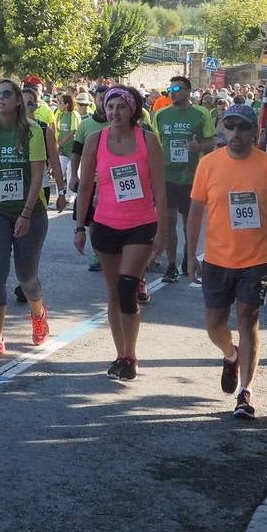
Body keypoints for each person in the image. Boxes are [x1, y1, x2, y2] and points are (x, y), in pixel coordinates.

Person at [186, 103, 267, 419]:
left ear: (254, 133)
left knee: (248, 319)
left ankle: (246, 392)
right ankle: (230, 355)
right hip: (217, 258)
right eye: (229, 126)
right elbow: (195, 212)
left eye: (242, 127)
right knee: (214, 325)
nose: (235, 133)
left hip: (255, 259)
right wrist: (190, 256)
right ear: (222, 130)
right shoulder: (208, 165)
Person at [73, 86, 166, 380]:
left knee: (127, 289)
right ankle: (121, 354)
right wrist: (79, 227)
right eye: (110, 107)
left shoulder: (147, 141)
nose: (114, 112)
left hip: (140, 224)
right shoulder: (94, 140)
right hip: (105, 224)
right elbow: (86, 186)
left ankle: (132, 354)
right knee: (114, 293)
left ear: (132, 111)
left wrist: (162, 230)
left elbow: (160, 190)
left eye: (121, 107)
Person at [0, 78, 52, 357]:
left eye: (7, 94)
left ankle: (39, 314)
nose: (0, 99)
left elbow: (38, 175)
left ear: (17, 100)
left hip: (30, 212)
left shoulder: (31, 131)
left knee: (26, 277)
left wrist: (26, 214)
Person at [154, 76, 215, 283]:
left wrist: (199, 147)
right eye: (170, 88)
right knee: (168, 221)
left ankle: (189, 256)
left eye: (177, 88)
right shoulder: (161, 115)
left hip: (192, 177)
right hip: (167, 176)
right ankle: (171, 264)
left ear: (189, 91)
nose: (172, 92)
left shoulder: (201, 114)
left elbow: (211, 142)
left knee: (189, 223)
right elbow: (155, 144)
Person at [70, 84, 111, 272]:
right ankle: (97, 254)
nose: (103, 101)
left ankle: (112, 252)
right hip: (91, 181)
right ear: (95, 100)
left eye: (107, 98)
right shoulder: (85, 124)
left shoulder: (117, 122)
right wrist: (73, 176)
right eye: (100, 98)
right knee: (93, 220)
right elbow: (76, 153)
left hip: (112, 182)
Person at [55, 92, 81, 181]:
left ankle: (71, 195)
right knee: (58, 172)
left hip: (72, 150)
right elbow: (59, 131)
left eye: (60, 102)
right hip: (63, 150)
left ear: (66, 104)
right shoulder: (60, 115)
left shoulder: (74, 115)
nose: (58, 104)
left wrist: (59, 144)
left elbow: (73, 132)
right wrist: (57, 144)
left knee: (70, 172)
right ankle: (60, 194)